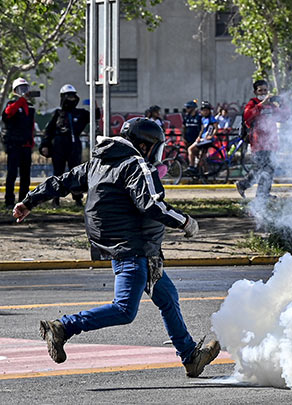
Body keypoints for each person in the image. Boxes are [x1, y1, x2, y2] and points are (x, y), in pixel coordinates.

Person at [12, 117, 220, 378]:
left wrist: (29, 201)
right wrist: (185, 221)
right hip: (133, 249)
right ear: (145, 146)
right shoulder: (135, 164)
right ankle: (63, 327)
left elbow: (63, 181)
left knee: (167, 297)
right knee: (124, 309)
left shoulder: (100, 162)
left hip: (135, 249)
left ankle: (190, 356)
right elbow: (151, 205)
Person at [235, 79, 288, 200]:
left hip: (271, 143)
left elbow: (284, 117)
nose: (263, 92)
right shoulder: (252, 104)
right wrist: (261, 104)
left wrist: (282, 103)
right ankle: (244, 185)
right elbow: (247, 117)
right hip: (258, 144)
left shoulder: (271, 106)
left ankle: (263, 194)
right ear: (255, 92)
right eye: (260, 91)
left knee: (269, 169)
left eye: (265, 90)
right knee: (260, 169)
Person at [40, 84, 90, 207]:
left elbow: (96, 115)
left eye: (73, 96)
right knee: (58, 173)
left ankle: (77, 199)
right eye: (68, 96)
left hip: (74, 146)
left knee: (76, 173)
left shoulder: (80, 113)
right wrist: (45, 145)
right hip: (59, 146)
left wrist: (95, 103)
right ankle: (56, 199)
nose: (70, 99)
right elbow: (48, 131)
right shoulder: (57, 114)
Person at [2, 78, 35, 209]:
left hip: (26, 146)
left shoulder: (30, 108)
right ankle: (9, 201)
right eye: (21, 89)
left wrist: (31, 142)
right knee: (12, 174)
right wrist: (20, 100)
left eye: (26, 89)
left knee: (25, 176)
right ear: (15, 91)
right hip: (14, 145)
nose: (24, 92)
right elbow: (8, 113)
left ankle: (24, 201)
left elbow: (31, 126)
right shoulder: (12, 104)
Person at [185, 101, 218, 175]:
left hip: (207, 140)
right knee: (201, 156)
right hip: (202, 139)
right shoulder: (203, 119)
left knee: (190, 149)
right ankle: (205, 170)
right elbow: (202, 130)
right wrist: (199, 137)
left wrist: (211, 136)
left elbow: (216, 128)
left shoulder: (211, 119)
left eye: (206, 110)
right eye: (203, 110)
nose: (205, 112)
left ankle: (192, 166)